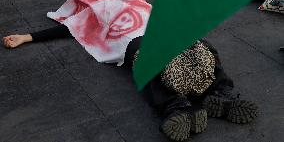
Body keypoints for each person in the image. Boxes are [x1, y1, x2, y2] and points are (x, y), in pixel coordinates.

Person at [2, 23, 258, 141]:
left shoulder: (140, 3)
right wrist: (29, 36)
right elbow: (71, 27)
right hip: (134, 43)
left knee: (200, 45)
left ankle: (219, 94)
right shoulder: (101, 16)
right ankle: (178, 107)